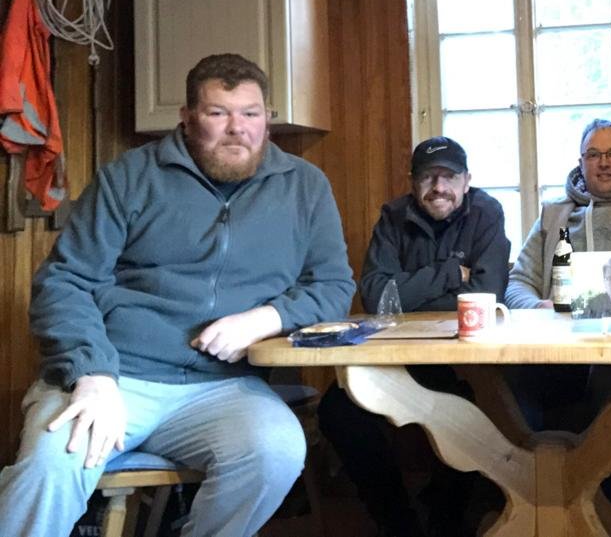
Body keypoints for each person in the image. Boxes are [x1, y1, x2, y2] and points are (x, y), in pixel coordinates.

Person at [0, 53, 355, 537]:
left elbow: (333, 286)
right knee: (50, 463)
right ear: (187, 119)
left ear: (267, 119)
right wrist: (92, 372)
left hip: (224, 388)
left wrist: (266, 317)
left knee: (276, 450)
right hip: (116, 378)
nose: (237, 128)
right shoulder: (128, 177)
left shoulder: (305, 186)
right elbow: (65, 281)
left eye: (251, 113)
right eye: (217, 113)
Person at [318, 135, 510, 537]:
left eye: (449, 177)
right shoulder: (393, 217)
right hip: (394, 358)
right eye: (427, 177)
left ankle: (447, 520)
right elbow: (376, 296)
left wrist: (408, 292)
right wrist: (450, 275)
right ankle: (397, 521)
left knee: (476, 404)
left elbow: (486, 293)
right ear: (412, 182)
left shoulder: (487, 213)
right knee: (337, 410)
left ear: (467, 181)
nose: (438, 187)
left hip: (464, 360)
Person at [505, 118, 611, 309]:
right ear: (581, 164)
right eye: (593, 155)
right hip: (565, 326)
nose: (604, 163)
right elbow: (519, 282)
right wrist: (539, 308)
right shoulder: (553, 216)